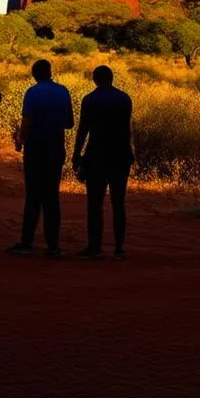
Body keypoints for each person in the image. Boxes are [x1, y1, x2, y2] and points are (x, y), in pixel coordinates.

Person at [8, 60, 74, 257]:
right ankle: (53, 246)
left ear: (35, 74)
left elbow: (27, 121)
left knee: (33, 197)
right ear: (50, 72)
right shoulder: (63, 91)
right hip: (55, 148)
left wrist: (20, 139)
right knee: (52, 197)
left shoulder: (32, 92)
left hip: (35, 149)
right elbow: (69, 123)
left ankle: (26, 242)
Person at [73, 66, 134, 260]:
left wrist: (76, 154)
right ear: (112, 78)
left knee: (95, 203)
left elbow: (83, 129)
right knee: (118, 203)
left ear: (95, 79)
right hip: (121, 156)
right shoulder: (124, 99)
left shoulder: (90, 100)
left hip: (96, 155)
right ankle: (119, 248)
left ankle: (95, 246)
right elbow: (128, 129)